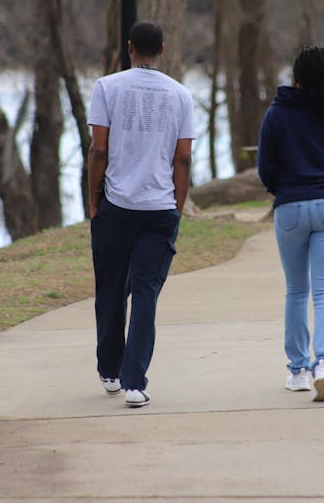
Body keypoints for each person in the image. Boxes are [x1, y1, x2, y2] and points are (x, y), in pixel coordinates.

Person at [87, 20, 195, 408]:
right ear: (162, 50)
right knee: (146, 293)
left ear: (129, 46)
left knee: (111, 289)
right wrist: (177, 206)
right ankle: (136, 383)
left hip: (117, 205)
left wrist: (93, 201)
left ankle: (109, 371)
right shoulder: (181, 95)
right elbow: (183, 156)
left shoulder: (106, 88)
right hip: (160, 208)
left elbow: (99, 150)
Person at [257, 46, 324, 402]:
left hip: (290, 208)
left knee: (297, 292)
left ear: (295, 77)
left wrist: (283, 191)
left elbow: (265, 169)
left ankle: (299, 370)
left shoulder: (276, 115)